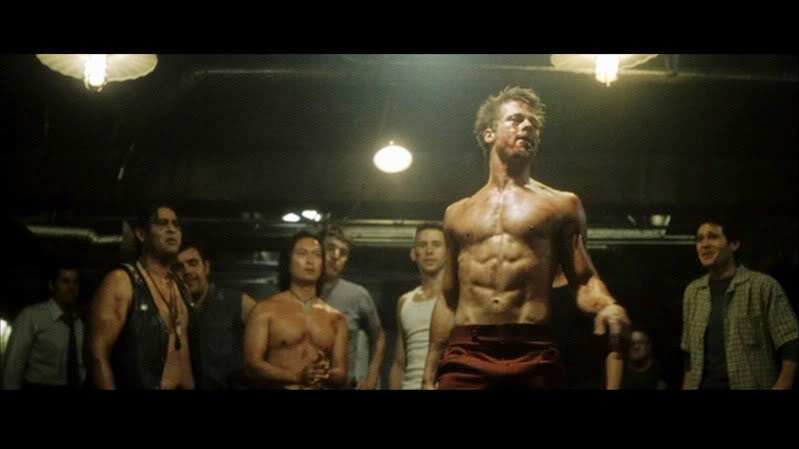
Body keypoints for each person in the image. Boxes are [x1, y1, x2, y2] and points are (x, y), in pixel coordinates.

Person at [421, 86, 629, 390]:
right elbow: (450, 297)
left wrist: (607, 305)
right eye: (516, 119)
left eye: (534, 124)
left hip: (532, 349)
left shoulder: (561, 205)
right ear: (489, 133)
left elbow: (583, 279)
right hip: (467, 350)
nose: (528, 126)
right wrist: (430, 369)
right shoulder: (457, 213)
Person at [681, 217, 798, 390]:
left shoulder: (762, 286)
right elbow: (689, 356)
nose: (704, 244)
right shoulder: (693, 292)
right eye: (700, 239)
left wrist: (782, 385)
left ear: (734, 244)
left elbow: (791, 344)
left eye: (713, 237)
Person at [88, 203, 195, 389]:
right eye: (161, 223)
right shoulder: (121, 281)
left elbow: (184, 357)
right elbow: (96, 355)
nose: (172, 229)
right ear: (141, 234)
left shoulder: (180, 287)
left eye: (176, 224)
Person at [244, 231, 348, 389]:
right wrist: (296, 376)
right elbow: (252, 365)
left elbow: (341, 373)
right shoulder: (265, 311)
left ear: (322, 264)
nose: (310, 261)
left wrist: (323, 373)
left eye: (316, 255)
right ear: (288, 261)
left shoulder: (336, 318)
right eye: (302, 253)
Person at [175, 241, 257, 390]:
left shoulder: (237, 302)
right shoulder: (172, 311)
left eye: (193, 263)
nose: (186, 271)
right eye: (179, 267)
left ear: (206, 267)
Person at [321, 224, 386, 389]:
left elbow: (379, 337)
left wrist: (371, 379)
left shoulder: (356, 295)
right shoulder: (301, 293)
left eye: (343, 253)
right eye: (330, 248)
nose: (335, 256)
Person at [2, 262, 85, 390]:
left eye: (75, 282)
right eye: (65, 282)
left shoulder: (80, 321)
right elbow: (14, 364)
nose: (71, 287)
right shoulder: (31, 317)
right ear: (52, 285)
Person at [389, 223, 446, 389]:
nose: (429, 251)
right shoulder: (405, 301)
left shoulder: (457, 299)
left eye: (436, 244)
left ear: (448, 253)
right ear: (413, 254)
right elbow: (400, 363)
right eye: (423, 245)